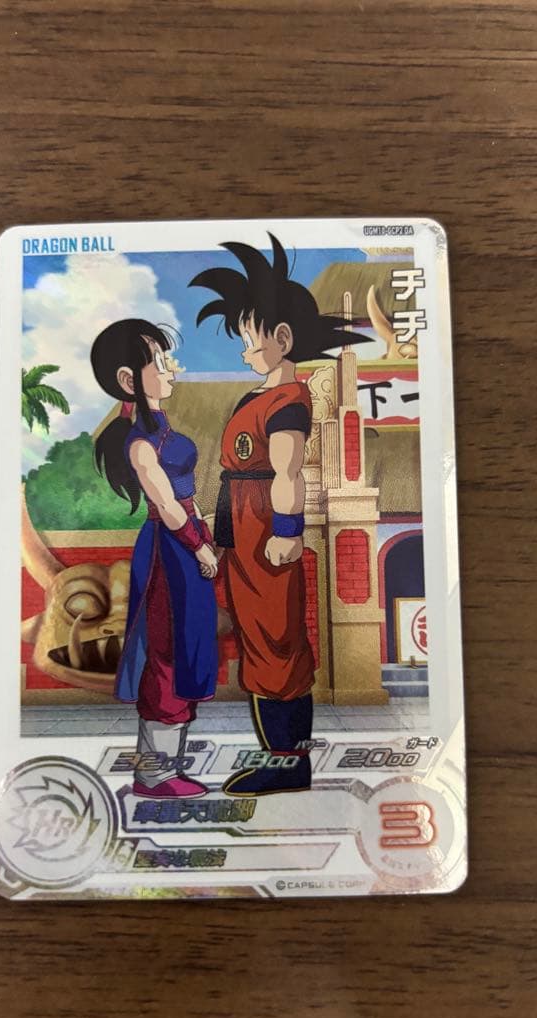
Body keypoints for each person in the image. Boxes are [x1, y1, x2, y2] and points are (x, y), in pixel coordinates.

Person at [190, 235, 368, 795]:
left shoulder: (289, 400)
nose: (245, 351)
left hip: (267, 529)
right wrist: (221, 527)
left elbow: (287, 472)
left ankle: (288, 763)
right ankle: (278, 755)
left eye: (251, 340)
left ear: (282, 339)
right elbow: (237, 475)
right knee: (256, 639)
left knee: (276, 641)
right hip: (242, 526)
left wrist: (288, 531)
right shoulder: (255, 397)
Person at [91, 319, 219, 798]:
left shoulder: (163, 432)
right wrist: (197, 543)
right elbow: (165, 504)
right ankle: (153, 774)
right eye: (161, 362)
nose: (172, 369)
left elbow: (184, 496)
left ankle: (169, 768)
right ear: (128, 380)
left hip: (186, 539)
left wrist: (202, 529)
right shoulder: (141, 442)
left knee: (188, 648)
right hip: (170, 549)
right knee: (165, 651)